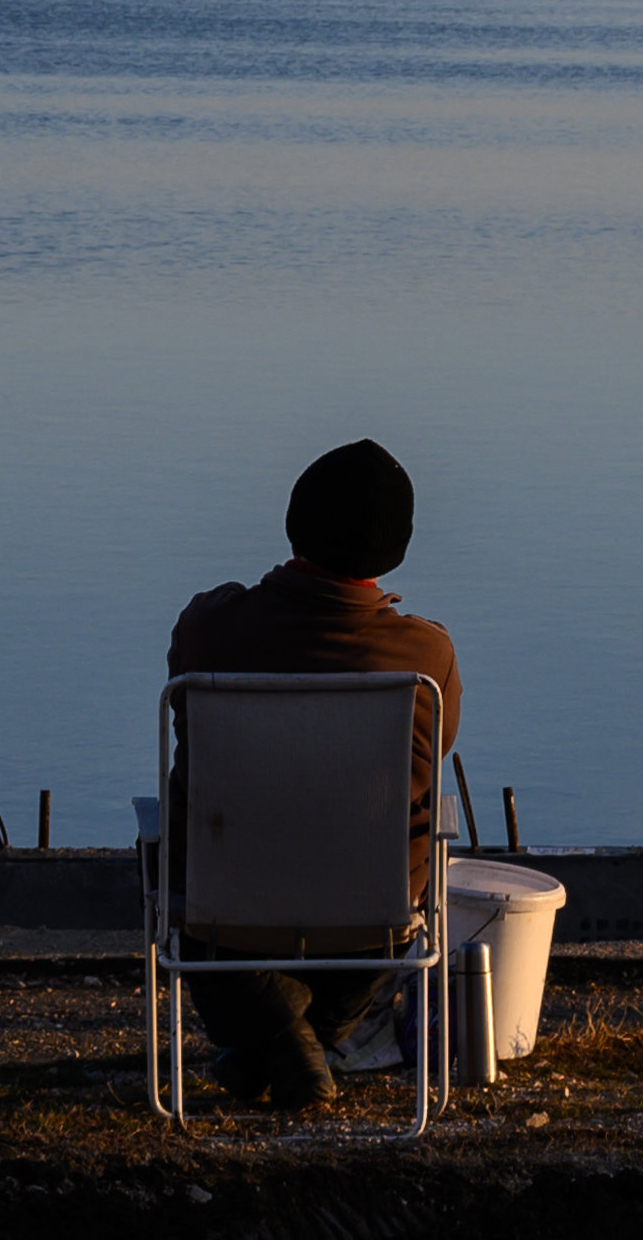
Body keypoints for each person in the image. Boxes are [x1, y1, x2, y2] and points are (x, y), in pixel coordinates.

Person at [161, 437, 461, 1106]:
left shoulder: (210, 628)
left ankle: (276, 1047)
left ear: (295, 522)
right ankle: (300, 1043)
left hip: (220, 914)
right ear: (396, 547)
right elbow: (427, 764)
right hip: (369, 925)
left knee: (168, 855)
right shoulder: (424, 654)